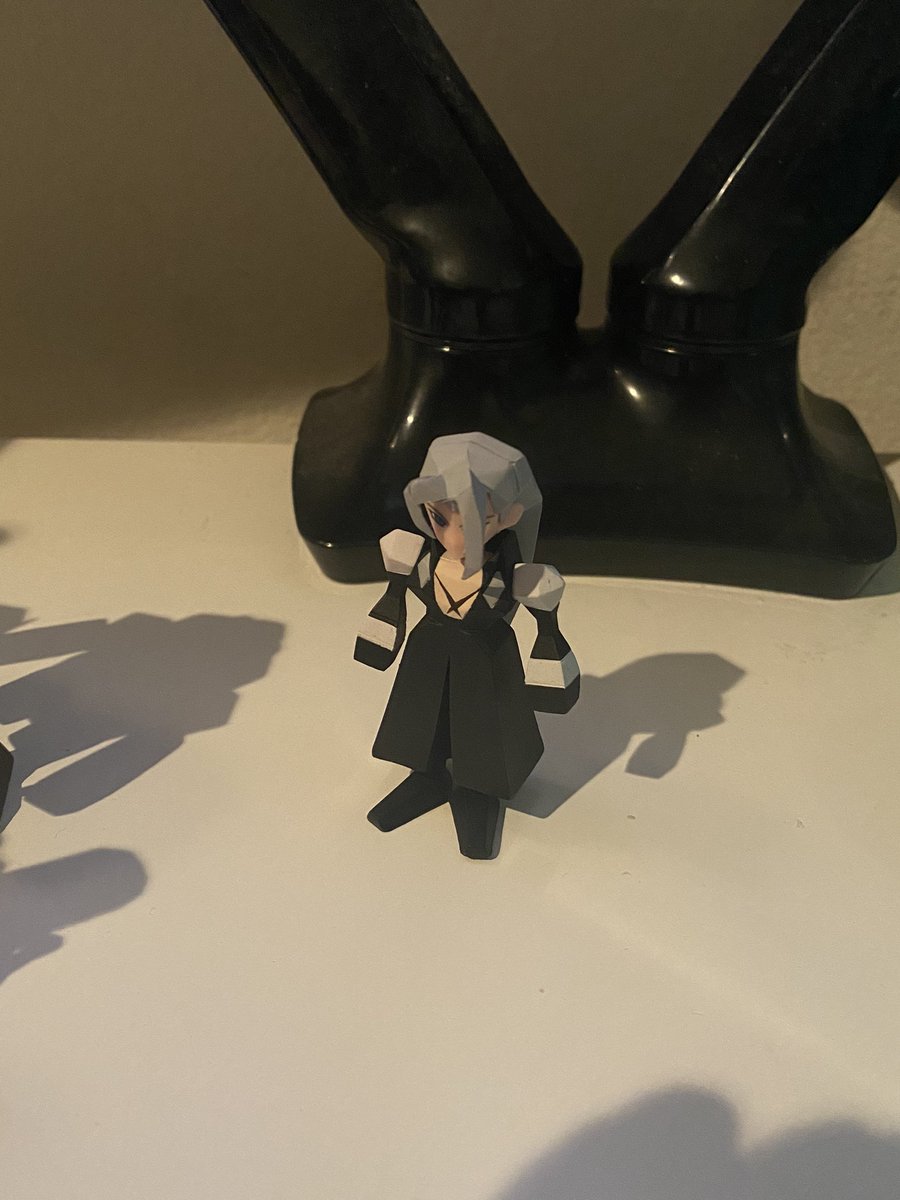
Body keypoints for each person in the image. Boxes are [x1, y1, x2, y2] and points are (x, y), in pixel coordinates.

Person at [354, 432, 579, 859]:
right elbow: (394, 602)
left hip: (485, 660)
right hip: (428, 652)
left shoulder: (513, 578)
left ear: (511, 515)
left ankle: (477, 790)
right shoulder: (420, 559)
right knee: (420, 717)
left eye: (476, 522)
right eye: (441, 520)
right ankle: (427, 775)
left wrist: (546, 615)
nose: (455, 540)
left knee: (485, 728)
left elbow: (547, 639)